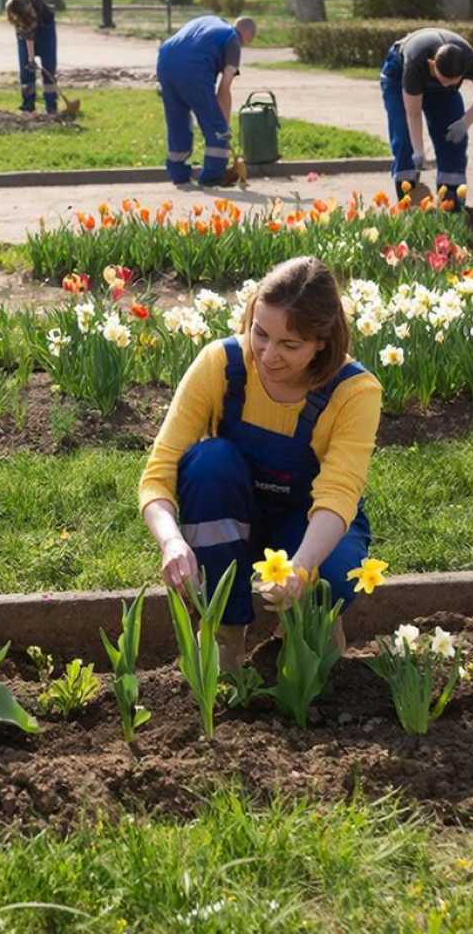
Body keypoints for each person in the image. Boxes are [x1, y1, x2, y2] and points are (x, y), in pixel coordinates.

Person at [139, 256, 382, 669]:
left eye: (290, 345)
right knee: (208, 462)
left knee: (334, 576)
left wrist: (301, 569)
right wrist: (171, 542)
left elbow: (339, 494)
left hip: (308, 523)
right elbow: (158, 472)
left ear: (322, 341)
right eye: (261, 333)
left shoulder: (353, 392)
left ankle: (305, 630)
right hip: (233, 519)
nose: (268, 355)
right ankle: (225, 631)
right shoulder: (222, 365)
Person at [380, 27, 473, 208]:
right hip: (398, 74)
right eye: (444, 80)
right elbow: (413, 113)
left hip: (440, 89)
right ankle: (410, 206)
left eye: (453, 81)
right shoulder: (416, 64)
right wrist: (418, 152)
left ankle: (451, 207)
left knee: (453, 142)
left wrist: (465, 122)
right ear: (432, 64)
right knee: (404, 140)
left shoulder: (468, 60)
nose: (447, 85)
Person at [156, 14, 257, 186]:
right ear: (248, 36)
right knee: (216, 126)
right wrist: (224, 127)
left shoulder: (211, 22)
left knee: (177, 119)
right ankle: (212, 176)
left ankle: (178, 174)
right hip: (195, 68)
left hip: (165, 61)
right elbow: (224, 89)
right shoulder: (232, 40)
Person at [5, 0, 59, 114]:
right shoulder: (13, 6)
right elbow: (27, 34)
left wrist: (32, 58)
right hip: (25, 34)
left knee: (48, 68)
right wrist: (30, 59)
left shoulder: (36, 4)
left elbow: (31, 31)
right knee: (26, 69)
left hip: (46, 29)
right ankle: (28, 105)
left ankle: (51, 106)